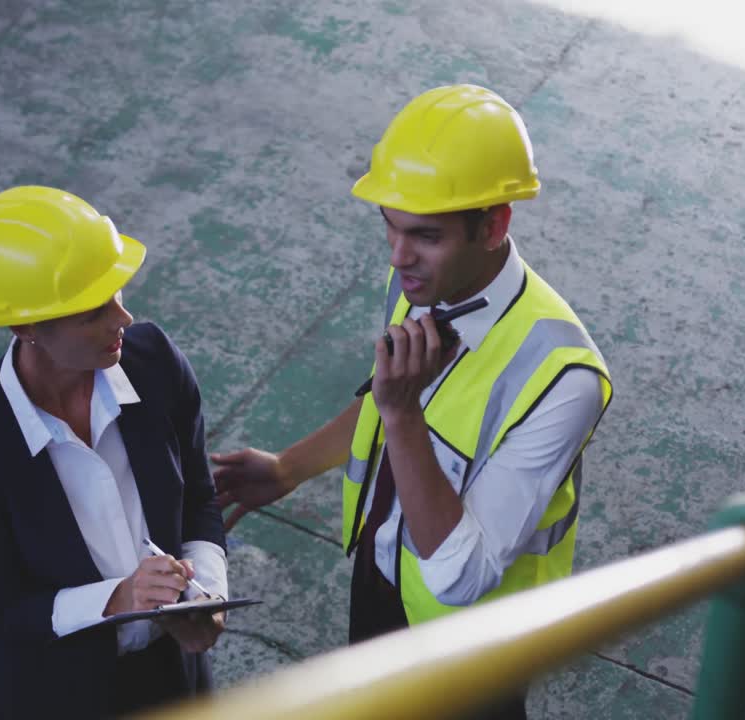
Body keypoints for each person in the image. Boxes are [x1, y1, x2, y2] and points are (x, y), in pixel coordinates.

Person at [213, 84, 612, 718]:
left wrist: (404, 413)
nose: (399, 257)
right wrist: (291, 467)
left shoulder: (563, 379)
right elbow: (380, 404)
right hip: (383, 580)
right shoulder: (419, 285)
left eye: (425, 235)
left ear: (494, 225)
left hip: (473, 649)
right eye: (390, 226)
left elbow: (462, 574)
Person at [0, 186, 228, 718]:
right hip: (59, 699)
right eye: (93, 311)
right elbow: (3, 610)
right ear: (25, 326)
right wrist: (120, 599)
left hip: (177, 679)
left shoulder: (155, 362)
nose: (122, 318)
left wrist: (206, 594)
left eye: (116, 293)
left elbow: (200, 499)